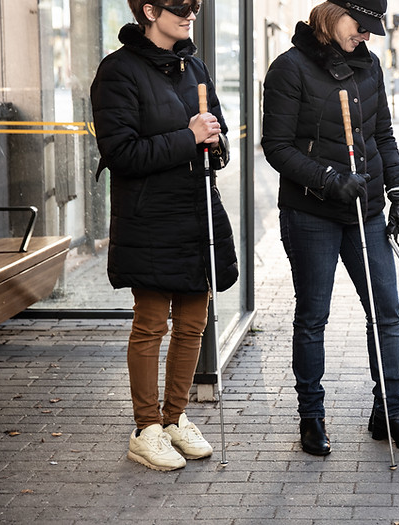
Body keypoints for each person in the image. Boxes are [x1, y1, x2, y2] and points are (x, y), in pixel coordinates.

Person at [261, 0, 399, 457]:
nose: (367, 37)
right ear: (332, 16)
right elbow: (275, 146)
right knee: (314, 318)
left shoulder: (368, 66)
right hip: (311, 212)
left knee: (387, 313)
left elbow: (383, 135)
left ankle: (389, 412)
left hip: (367, 210)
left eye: (373, 29)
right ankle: (312, 419)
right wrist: (329, 179)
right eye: (361, 26)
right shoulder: (289, 69)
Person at [90, 0, 238, 471]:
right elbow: (122, 153)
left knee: (194, 322)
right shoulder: (117, 72)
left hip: (196, 213)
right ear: (149, 10)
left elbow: (215, 129)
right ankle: (146, 428)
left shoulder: (192, 64)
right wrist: (190, 137)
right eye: (180, 6)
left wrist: (217, 142)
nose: (190, 12)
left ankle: (174, 420)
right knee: (151, 323)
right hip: (150, 217)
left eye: (194, 5)